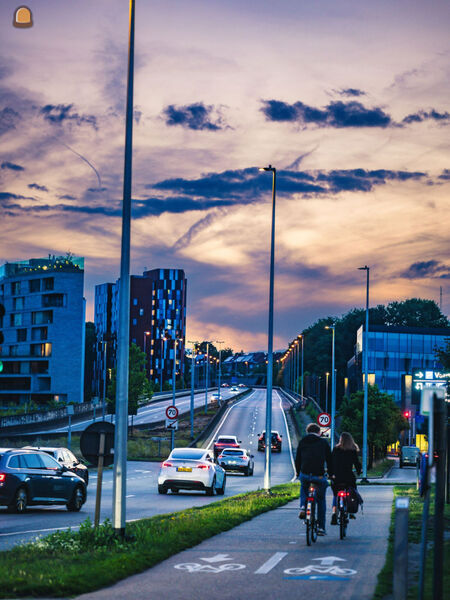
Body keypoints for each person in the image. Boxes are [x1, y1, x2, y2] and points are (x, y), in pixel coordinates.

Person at [295, 422, 333, 536]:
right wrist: (331, 473)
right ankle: (321, 528)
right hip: (319, 475)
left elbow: (298, 459)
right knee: (321, 501)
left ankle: (302, 507)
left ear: (307, 432)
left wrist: (298, 471)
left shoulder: (302, 442)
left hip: (305, 473)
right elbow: (329, 460)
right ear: (318, 432)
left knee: (304, 486)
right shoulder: (323, 442)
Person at [330, 432, 362, 525]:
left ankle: (334, 513)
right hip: (348, 477)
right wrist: (359, 471)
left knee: (336, 495)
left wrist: (331, 474)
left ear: (341, 439)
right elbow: (356, 463)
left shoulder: (335, 449)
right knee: (352, 491)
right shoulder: (352, 450)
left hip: (337, 477)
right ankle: (351, 511)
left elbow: (331, 462)